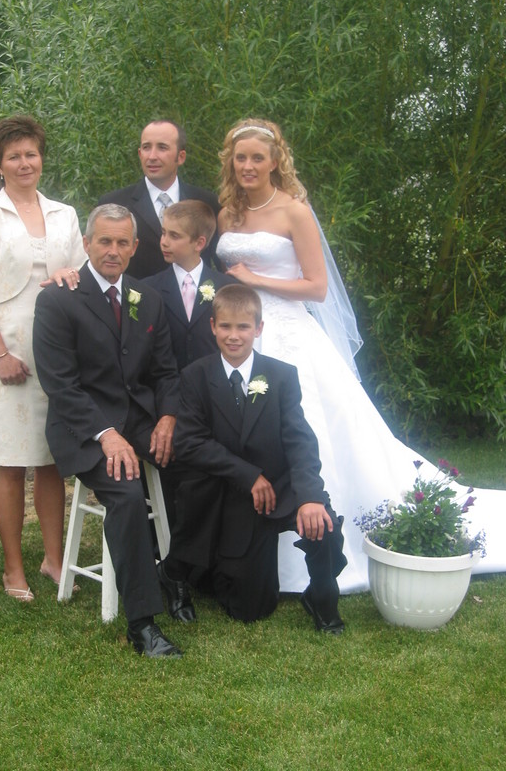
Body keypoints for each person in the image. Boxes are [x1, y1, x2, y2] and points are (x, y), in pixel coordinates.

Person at [216, 117, 506, 594]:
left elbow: (317, 286)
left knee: (306, 428)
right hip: (239, 335)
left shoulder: (294, 211)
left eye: (257, 158)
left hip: (287, 333)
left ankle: (316, 545)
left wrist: (255, 280)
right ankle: (246, 541)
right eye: (240, 157)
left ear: (274, 161)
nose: (247, 166)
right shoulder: (228, 212)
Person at [33, 203, 184, 658]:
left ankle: (180, 576)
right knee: (126, 490)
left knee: (200, 461)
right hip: (83, 428)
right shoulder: (58, 300)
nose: (112, 251)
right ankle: (143, 624)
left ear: (135, 247)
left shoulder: (147, 298)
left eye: (122, 242)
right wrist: (105, 433)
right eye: (104, 241)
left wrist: (168, 417)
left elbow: (166, 372)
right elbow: (60, 385)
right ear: (87, 243)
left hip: (140, 419)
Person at [162, 285, 347, 630]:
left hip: (279, 484)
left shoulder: (281, 375)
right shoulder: (196, 376)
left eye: (243, 327)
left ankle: (322, 597)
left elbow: (300, 440)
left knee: (324, 523)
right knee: (250, 609)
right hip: (232, 490)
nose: (234, 336)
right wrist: (248, 476)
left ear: (258, 329)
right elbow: (190, 442)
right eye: (226, 326)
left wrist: (309, 497)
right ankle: (186, 573)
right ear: (213, 326)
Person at [0, 115, 86, 602]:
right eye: (13, 156)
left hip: (58, 347)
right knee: (11, 461)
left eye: (30, 153)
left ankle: (53, 559)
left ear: (41, 158)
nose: (24, 163)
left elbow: (82, 270)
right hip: (7, 348)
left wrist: (70, 276)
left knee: (52, 458)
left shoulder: (64, 214)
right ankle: (12, 568)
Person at [98, 120, 220, 278]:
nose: (152, 156)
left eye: (162, 147)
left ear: (181, 157)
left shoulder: (207, 203)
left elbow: (218, 264)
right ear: (139, 154)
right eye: (146, 147)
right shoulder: (114, 203)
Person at [144, 200, 235, 370]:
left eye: (174, 236)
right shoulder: (149, 288)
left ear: (199, 243)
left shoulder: (227, 288)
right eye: (163, 233)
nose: (164, 242)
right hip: (166, 380)